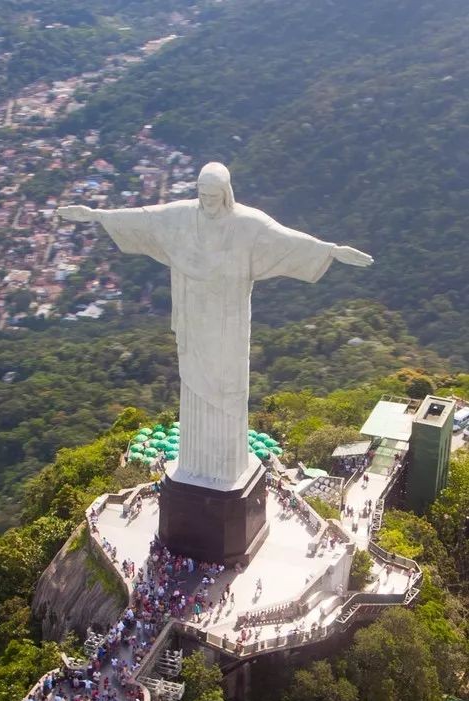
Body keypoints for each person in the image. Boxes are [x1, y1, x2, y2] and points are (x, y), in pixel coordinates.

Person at [58, 163, 373, 489]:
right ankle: (195, 466)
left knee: (227, 387)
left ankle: (224, 469)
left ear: (226, 193)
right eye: (203, 195)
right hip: (194, 320)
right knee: (194, 383)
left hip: (228, 325)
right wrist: (97, 215)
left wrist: (330, 251)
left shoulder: (247, 224)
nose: (207, 202)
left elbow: (285, 240)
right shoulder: (182, 216)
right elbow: (144, 218)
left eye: (214, 195)